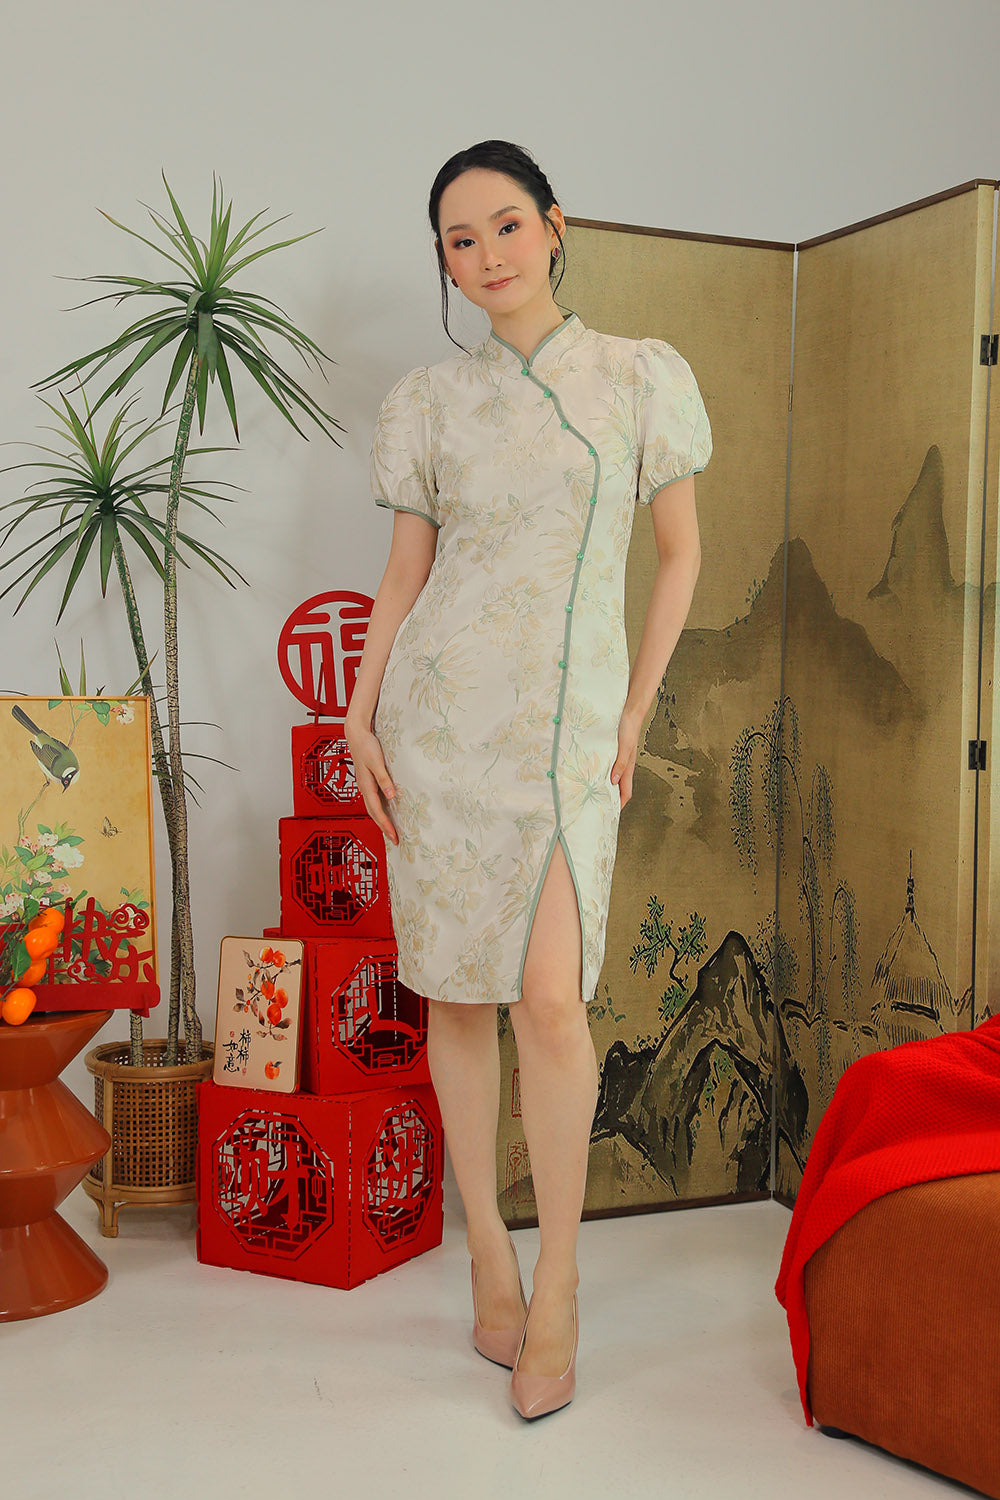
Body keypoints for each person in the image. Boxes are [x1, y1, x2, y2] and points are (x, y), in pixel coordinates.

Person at [344, 140, 711, 1420]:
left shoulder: (637, 377)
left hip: (567, 737)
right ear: (443, 261)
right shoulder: (428, 402)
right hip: (440, 726)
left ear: (555, 225)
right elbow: (405, 575)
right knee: (454, 996)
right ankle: (486, 1257)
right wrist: (359, 712)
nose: (487, 254)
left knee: (549, 1002)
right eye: (460, 239)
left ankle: (558, 1279)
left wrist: (633, 714)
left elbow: (677, 556)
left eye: (507, 224)